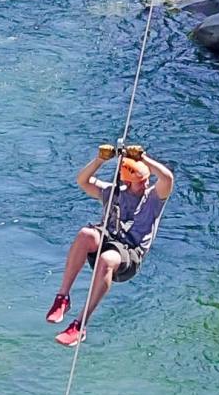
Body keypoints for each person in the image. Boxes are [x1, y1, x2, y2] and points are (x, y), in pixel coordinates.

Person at [47, 142, 175, 346]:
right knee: (85, 234)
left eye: (144, 180)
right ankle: (62, 297)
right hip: (109, 239)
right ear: (127, 180)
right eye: (138, 182)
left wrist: (143, 159)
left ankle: (80, 325)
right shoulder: (113, 192)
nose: (143, 185)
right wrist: (100, 159)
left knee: (107, 259)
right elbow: (83, 180)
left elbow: (167, 178)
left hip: (129, 254)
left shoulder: (153, 198)